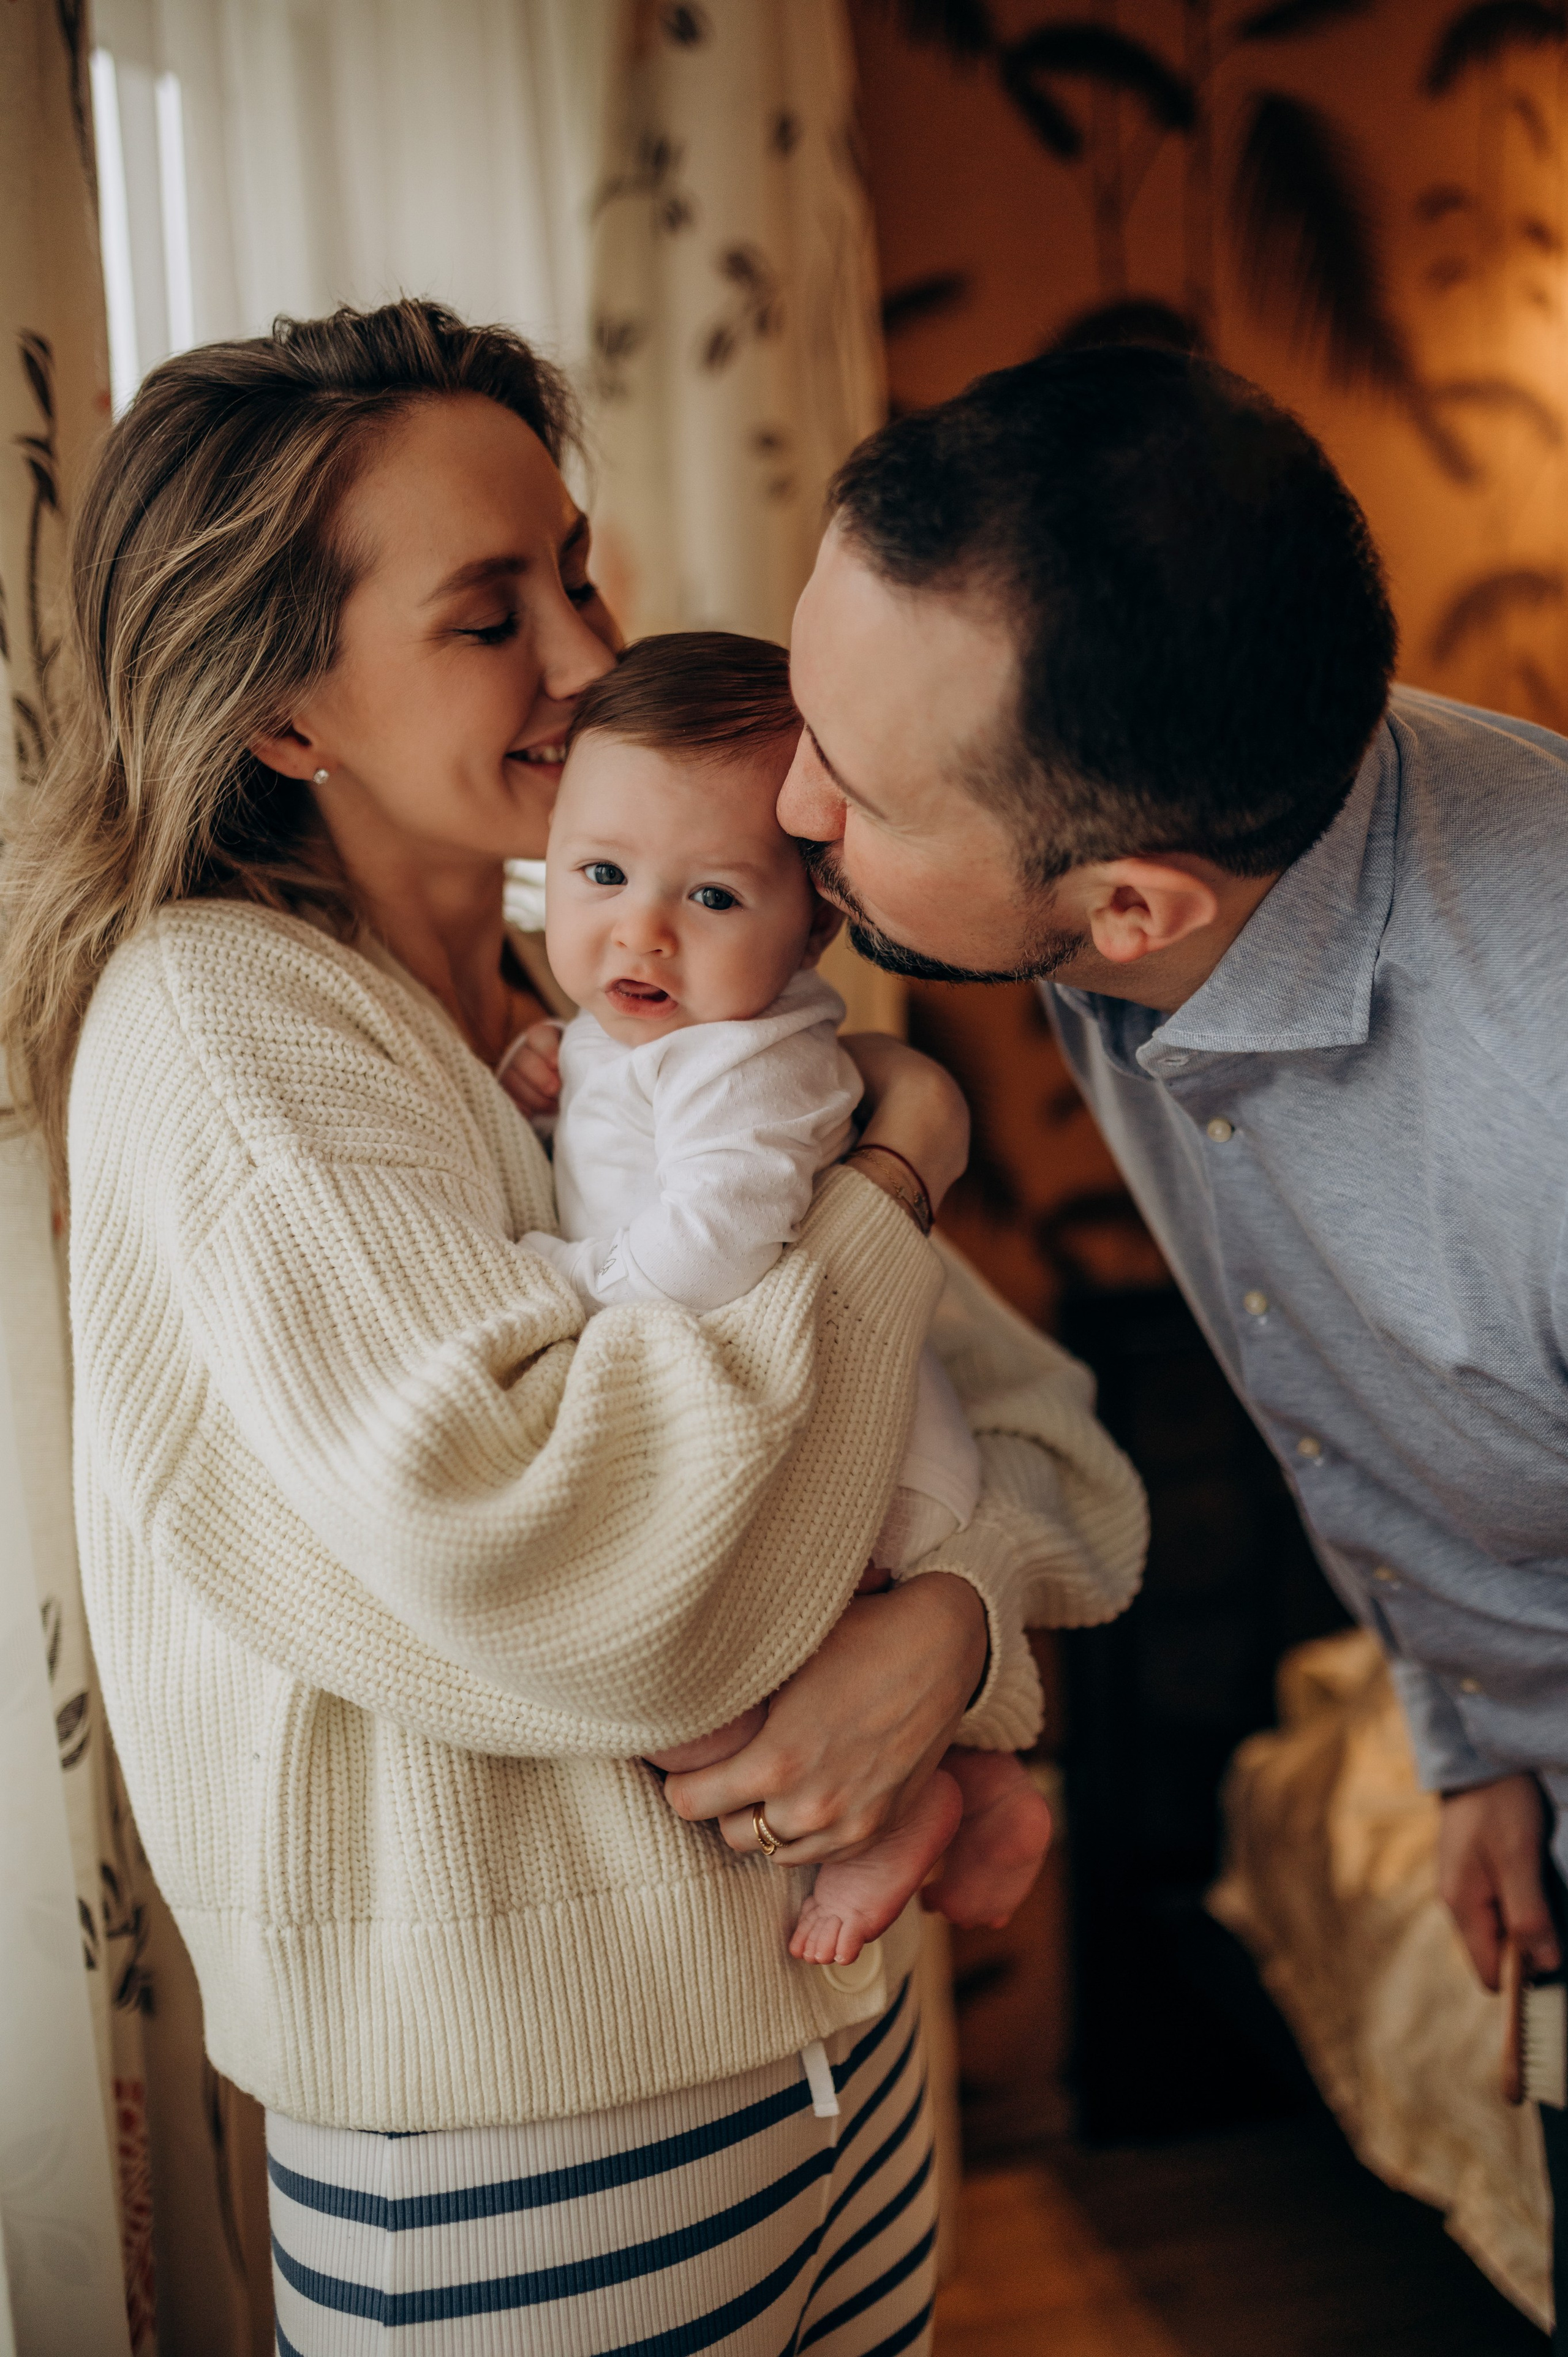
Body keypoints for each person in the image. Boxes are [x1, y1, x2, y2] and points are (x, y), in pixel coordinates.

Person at [0, 299, 1146, 2356]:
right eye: (483, 611)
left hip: (840, 2065)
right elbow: (574, 1558)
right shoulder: (224, 1024)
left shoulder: (611, 1020)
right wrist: (890, 1179)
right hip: (525, 2146)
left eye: (577, 570)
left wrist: (948, 1631)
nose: (582, 651)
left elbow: (1048, 1432)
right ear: (287, 712)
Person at [777, 339, 1568, 2348]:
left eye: (851, 790)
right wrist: (1478, 1731)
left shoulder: (1542, 1079)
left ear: (1131, 902)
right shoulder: (1179, 833)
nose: (794, 806)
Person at [502, 627, 1057, 1972]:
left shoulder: (765, 1065)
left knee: (674, 1698)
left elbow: (713, 1244)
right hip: (814, 1448)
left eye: (711, 899)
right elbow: (626, 1109)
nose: (639, 927)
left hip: (849, 1466)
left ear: (811, 922)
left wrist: (564, 1285)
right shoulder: (637, 1029)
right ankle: (972, 1790)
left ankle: (917, 1801)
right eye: (602, 875)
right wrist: (560, 1067)